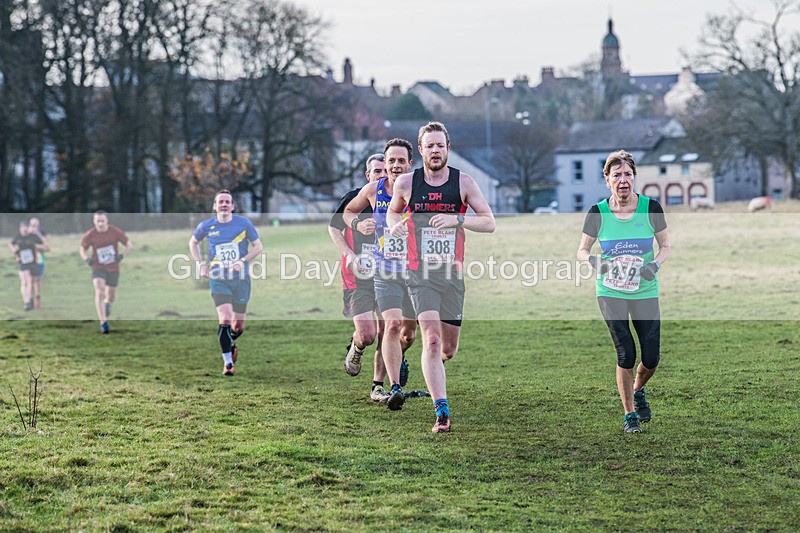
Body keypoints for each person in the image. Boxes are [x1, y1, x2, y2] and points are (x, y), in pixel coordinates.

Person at [387, 122, 496, 433]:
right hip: (419, 274)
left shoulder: (464, 182)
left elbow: (489, 222)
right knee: (431, 340)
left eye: (440, 145)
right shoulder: (407, 183)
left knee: (447, 349)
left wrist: (457, 219)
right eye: (429, 146)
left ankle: (425, 367)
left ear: (448, 148)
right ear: (420, 151)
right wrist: (395, 223)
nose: (435, 150)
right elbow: (394, 211)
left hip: (451, 275)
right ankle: (442, 412)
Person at [576, 149, 671, 434]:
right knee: (626, 354)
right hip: (611, 292)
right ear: (607, 180)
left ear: (634, 178)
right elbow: (581, 251)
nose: (623, 180)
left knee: (651, 357)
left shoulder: (650, 208)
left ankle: (637, 389)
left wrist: (653, 265)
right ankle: (630, 414)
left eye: (628, 174)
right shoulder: (598, 213)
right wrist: (596, 263)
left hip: (644, 290)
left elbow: (665, 246)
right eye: (616, 175)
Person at [344, 139, 419, 411]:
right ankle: (392, 386)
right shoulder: (373, 190)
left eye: (401, 161)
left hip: (416, 271)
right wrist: (356, 223)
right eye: (391, 161)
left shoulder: (420, 188)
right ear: (384, 165)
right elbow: (348, 211)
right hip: (385, 268)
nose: (396, 166)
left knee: (408, 335)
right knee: (392, 325)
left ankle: (396, 361)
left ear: (410, 164)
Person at [328, 153, 390, 402]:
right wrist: (350, 254)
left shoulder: (401, 197)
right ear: (368, 176)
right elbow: (333, 227)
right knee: (368, 334)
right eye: (377, 172)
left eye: (386, 171)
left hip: (389, 275)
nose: (383, 176)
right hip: (358, 277)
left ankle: (378, 386)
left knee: (389, 332)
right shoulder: (357, 197)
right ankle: (356, 346)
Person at [189, 190, 263, 376]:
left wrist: (242, 261)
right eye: (220, 201)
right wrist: (200, 265)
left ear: (232, 206)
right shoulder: (206, 226)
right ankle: (228, 363)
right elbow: (193, 243)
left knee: (237, 326)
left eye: (227, 202)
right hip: (218, 278)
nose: (223, 204)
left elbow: (258, 247)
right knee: (225, 319)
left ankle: (231, 343)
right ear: (214, 206)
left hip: (241, 280)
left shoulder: (243, 223)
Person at [79, 211, 132, 333]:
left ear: (107, 220)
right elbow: (82, 248)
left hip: (113, 267)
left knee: (111, 295)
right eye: (98, 221)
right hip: (98, 267)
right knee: (99, 290)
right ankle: (103, 323)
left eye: (102, 221)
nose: (100, 224)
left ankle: (107, 303)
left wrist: (122, 256)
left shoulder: (114, 231)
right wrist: (86, 259)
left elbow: (128, 244)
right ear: (94, 221)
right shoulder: (91, 234)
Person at [10, 221, 48, 311]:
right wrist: (16, 248)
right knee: (25, 282)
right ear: (20, 229)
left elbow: (45, 247)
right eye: (22, 228)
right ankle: (26, 302)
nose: (24, 230)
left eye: (26, 228)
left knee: (34, 282)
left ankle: (32, 299)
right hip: (22, 263)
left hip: (33, 263)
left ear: (28, 228)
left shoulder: (33, 237)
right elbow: (12, 246)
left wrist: (34, 245)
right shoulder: (17, 238)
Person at [28, 217, 49, 309]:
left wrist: (38, 235)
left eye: (36, 225)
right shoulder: (26, 235)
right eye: (32, 225)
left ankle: (37, 299)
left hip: (39, 260)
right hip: (28, 261)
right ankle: (30, 300)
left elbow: (46, 247)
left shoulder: (40, 235)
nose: (34, 227)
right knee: (29, 281)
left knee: (37, 281)